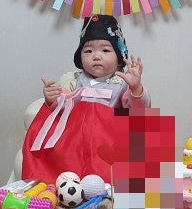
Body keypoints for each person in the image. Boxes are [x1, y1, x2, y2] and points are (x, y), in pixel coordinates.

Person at [22, 15, 150, 184]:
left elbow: (138, 111)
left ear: (119, 56)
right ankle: (62, 181)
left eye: (105, 50)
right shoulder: (73, 81)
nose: (96, 56)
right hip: (75, 143)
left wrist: (135, 88)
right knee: (60, 153)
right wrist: (52, 99)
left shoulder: (122, 83)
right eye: (88, 51)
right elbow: (63, 112)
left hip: (108, 141)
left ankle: (108, 184)